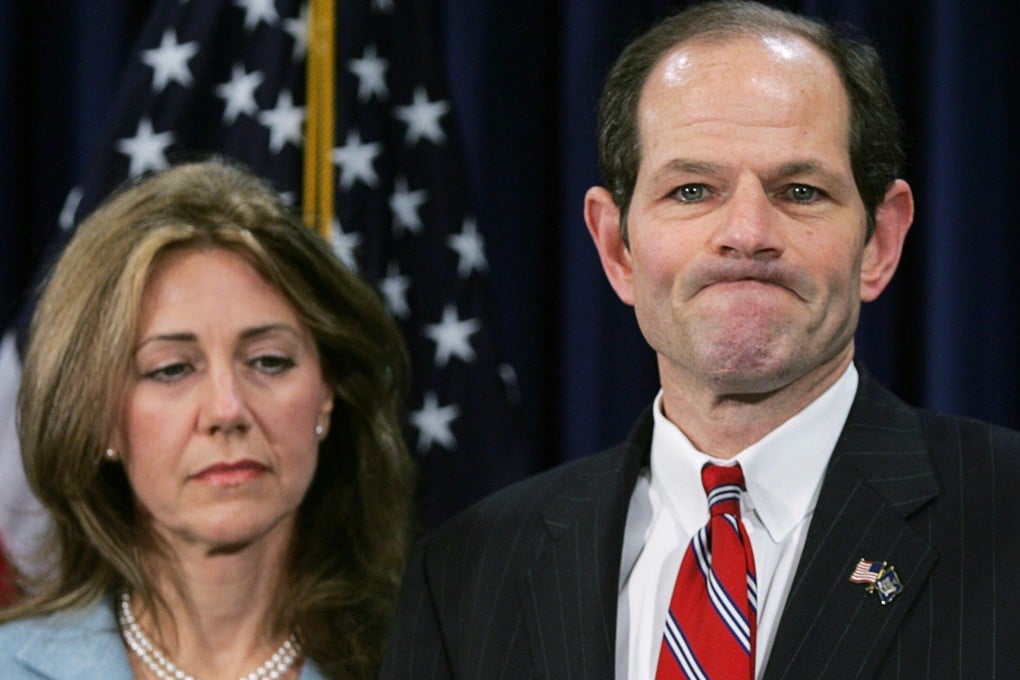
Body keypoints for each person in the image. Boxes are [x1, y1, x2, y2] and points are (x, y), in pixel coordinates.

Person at [380, 1, 1020, 678]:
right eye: (691, 190)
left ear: (880, 241)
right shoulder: (468, 571)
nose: (746, 233)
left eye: (801, 191)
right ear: (616, 247)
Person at [0, 160, 414, 679]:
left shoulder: (426, 660)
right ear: (100, 418)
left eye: (269, 361)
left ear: (325, 395)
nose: (227, 410)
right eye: (171, 369)